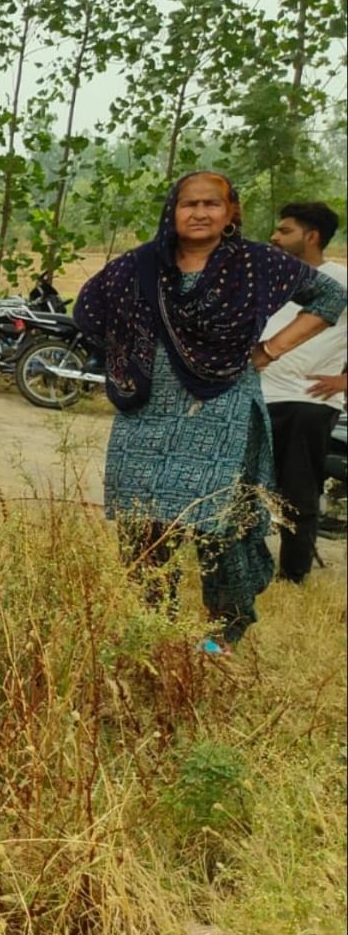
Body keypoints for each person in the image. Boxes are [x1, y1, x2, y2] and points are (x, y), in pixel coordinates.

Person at [77, 173, 344, 651]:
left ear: (230, 212)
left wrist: (269, 349)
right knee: (142, 522)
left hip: (221, 406)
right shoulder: (143, 264)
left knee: (217, 526)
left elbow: (332, 297)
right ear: (172, 211)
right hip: (146, 412)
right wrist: (127, 356)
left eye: (211, 204)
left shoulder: (255, 263)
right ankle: (153, 631)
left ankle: (220, 636)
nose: (199, 213)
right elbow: (90, 309)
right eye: (189, 204)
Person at [263, 202, 347, 583]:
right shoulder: (271, 279)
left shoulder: (340, 281)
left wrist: (344, 382)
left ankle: (293, 574)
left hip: (307, 400)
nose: (274, 237)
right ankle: (245, 566)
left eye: (285, 231)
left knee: (298, 489)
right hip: (256, 395)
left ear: (311, 236)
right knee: (245, 486)